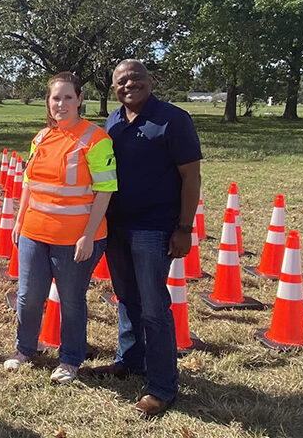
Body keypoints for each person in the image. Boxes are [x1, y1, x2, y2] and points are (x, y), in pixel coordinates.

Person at [94, 59, 202, 417]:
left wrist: (184, 229)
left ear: (150, 80)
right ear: (114, 89)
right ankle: (129, 361)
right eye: (122, 81)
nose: (129, 84)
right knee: (126, 298)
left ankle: (162, 386)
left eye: (136, 78)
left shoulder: (174, 119)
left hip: (154, 228)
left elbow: (191, 178)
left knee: (155, 308)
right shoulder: (112, 121)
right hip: (117, 226)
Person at [4, 72, 117, 384]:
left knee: (71, 300)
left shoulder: (96, 139)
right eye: (56, 98)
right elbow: (29, 182)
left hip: (75, 239)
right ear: (48, 102)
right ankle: (24, 349)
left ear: (80, 100)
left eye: (68, 97)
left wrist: (88, 235)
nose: (62, 104)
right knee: (28, 296)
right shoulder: (41, 138)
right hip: (34, 233)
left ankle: (70, 359)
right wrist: (19, 219)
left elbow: (105, 191)